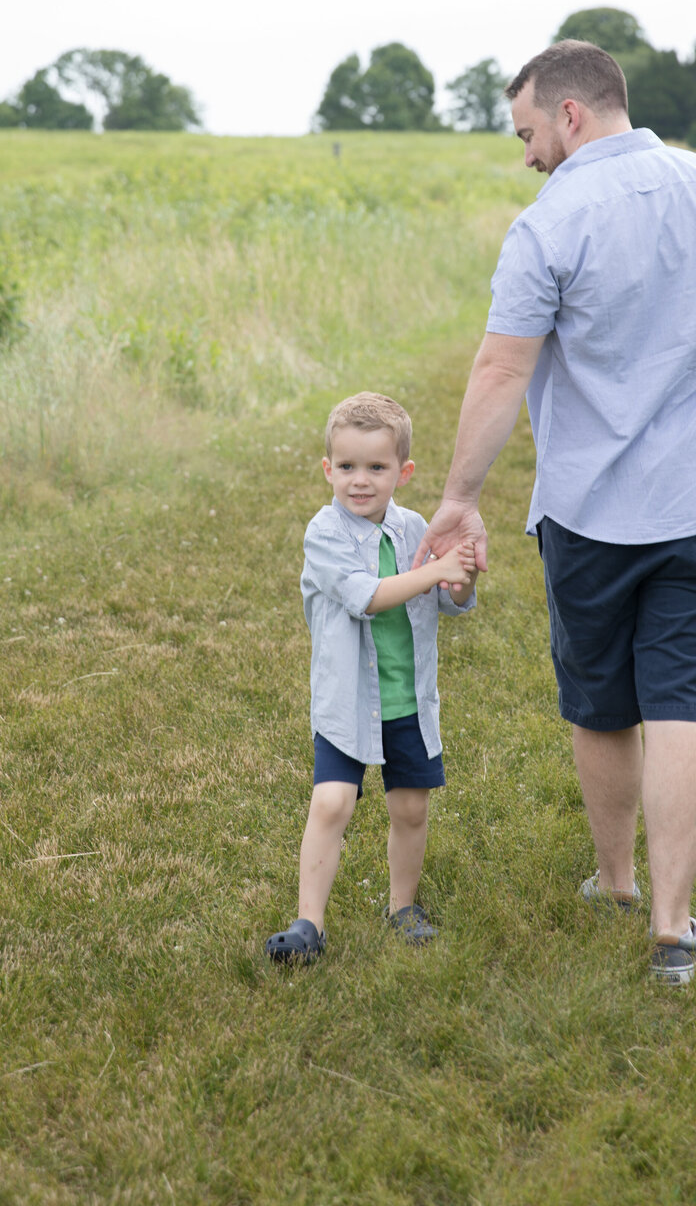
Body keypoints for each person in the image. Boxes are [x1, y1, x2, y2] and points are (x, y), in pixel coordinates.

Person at [417, 41, 696, 985]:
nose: (526, 156)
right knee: (681, 699)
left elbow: (502, 368)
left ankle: (617, 880)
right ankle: (673, 930)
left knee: (602, 704)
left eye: (526, 133)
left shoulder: (548, 227)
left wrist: (459, 500)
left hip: (591, 512)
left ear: (571, 114)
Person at [265, 392, 477, 963]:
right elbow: (369, 597)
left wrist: (458, 576)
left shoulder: (415, 531)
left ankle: (402, 907)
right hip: (348, 701)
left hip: (406, 700)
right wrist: (435, 568)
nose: (361, 481)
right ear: (328, 469)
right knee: (332, 801)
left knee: (410, 808)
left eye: (377, 468)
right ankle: (309, 923)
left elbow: (450, 602)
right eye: (348, 467)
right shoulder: (325, 533)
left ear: (402, 472)